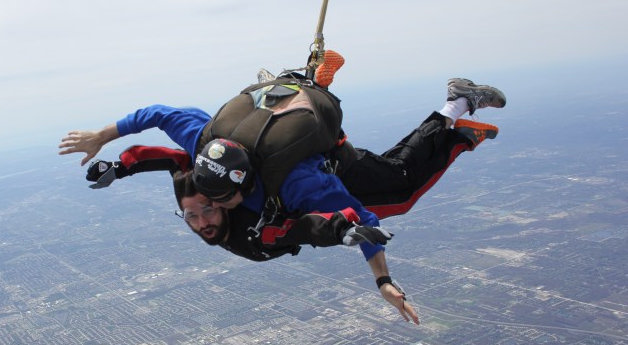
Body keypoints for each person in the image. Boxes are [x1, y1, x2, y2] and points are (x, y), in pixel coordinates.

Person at [59, 70, 506, 325]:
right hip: (274, 121)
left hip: (329, 163)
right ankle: (292, 84)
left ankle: (458, 107)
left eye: (218, 204)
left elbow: (364, 219)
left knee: (401, 189)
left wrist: (382, 280)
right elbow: (157, 114)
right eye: (199, 210)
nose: (211, 213)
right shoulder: (204, 146)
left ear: (242, 186)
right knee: (387, 186)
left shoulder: (296, 183)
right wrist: (103, 137)